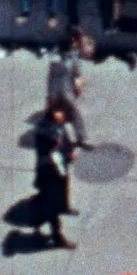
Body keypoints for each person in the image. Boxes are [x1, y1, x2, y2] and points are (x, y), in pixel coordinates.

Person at [33, 103, 78, 248]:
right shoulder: (43, 131)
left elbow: (66, 139)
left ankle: (64, 206)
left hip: (60, 165)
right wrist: (55, 145)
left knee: (64, 185)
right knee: (51, 206)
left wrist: (70, 151)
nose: (62, 116)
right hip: (49, 170)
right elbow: (44, 151)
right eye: (59, 113)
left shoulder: (60, 125)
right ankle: (57, 237)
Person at [47, 30, 94, 148]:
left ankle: (82, 138)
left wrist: (78, 82)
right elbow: (53, 79)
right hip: (59, 91)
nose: (75, 44)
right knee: (59, 115)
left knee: (74, 113)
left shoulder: (73, 54)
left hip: (67, 90)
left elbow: (76, 71)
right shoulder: (56, 60)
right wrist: (51, 97)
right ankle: (56, 140)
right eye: (73, 43)